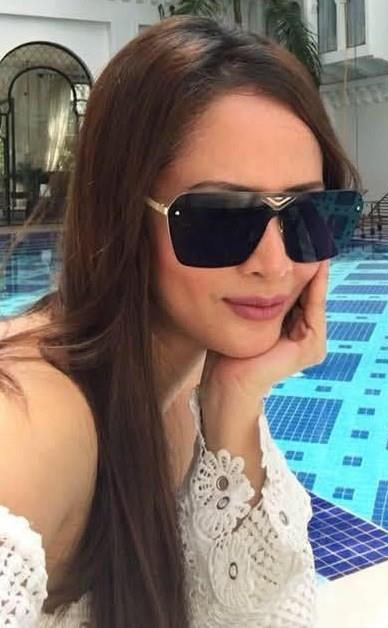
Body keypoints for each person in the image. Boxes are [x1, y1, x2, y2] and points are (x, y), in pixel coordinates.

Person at [0, 15, 361, 628]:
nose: (274, 264)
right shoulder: (37, 424)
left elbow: (260, 613)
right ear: (123, 216)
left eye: (308, 213)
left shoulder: (198, 377)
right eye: (219, 217)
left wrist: (236, 398)